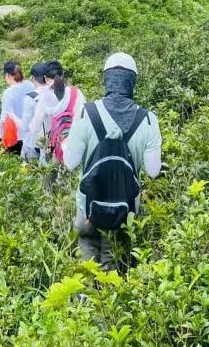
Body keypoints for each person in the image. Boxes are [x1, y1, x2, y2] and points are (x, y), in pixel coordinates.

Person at [62, 52, 162, 269]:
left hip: (87, 210)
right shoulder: (147, 119)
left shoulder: (85, 113)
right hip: (124, 211)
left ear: (106, 79)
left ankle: (84, 301)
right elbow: (153, 171)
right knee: (114, 268)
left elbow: (70, 163)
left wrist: (64, 145)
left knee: (87, 264)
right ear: (132, 82)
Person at [27, 60, 86, 166]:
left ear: (45, 78)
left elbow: (34, 127)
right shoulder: (76, 93)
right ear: (62, 75)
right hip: (75, 147)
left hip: (53, 148)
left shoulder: (43, 99)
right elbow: (84, 118)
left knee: (51, 179)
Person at [0, 61, 39, 158]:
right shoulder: (30, 85)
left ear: (8, 75)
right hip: (28, 137)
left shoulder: (8, 93)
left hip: (13, 138)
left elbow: (5, 117)